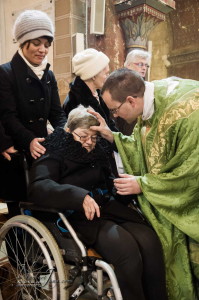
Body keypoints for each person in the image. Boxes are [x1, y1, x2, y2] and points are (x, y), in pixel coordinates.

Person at [28, 105, 167, 300]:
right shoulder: (54, 149)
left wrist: (123, 186)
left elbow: (108, 181)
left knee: (149, 240)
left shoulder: (97, 149)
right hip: (76, 215)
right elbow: (38, 186)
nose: (88, 143)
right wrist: (79, 196)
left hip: (106, 208)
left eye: (93, 138)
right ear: (69, 130)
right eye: (83, 136)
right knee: (126, 250)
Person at [89, 68, 199, 300]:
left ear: (131, 100)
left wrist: (143, 185)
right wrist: (114, 136)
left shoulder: (188, 112)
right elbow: (149, 148)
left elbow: (190, 174)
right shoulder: (151, 98)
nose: (115, 116)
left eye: (114, 110)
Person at [0, 10, 66, 160]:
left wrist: (64, 132)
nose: (43, 50)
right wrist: (29, 140)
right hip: (18, 149)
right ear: (23, 43)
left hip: (43, 146)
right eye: (36, 43)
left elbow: (57, 114)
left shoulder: (49, 74)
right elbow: (8, 116)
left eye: (47, 45)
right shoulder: (5, 73)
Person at [63, 48, 117, 132]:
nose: (108, 77)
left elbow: (109, 124)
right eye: (106, 73)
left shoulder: (98, 95)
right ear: (93, 75)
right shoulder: (75, 101)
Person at [116, 49, 152, 135]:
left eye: (146, 65)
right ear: (128, 65)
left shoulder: (147, 86)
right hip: (123, 129)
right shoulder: (118, 84)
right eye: (140, 64)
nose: (144, 68)